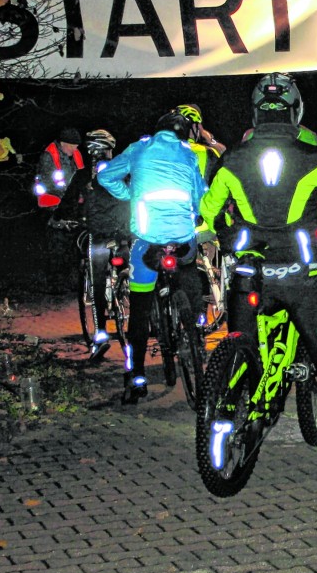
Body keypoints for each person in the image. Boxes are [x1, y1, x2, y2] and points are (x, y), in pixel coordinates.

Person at [198, 73, 317, 474]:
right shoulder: (312, 158)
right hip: (300, 276)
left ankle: (228, 409)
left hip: (251, 274)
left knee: (241, 350)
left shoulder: (232, 159)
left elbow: (210, 211)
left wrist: (229, 233)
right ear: (296, 110)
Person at [96, 114, 209, 404]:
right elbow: (201, 195)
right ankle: (195, 329)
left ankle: (137, 378)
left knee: (140, 309)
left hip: (147, 242)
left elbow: (105, 176)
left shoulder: (138, 148)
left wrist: (130, 194)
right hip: (182, 240)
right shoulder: (189, 154)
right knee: (190, 272)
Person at [51, 129, 127, 359]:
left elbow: (68, 204)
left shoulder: (83, 175)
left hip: (98, 235)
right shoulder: (124, 171)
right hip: (126, 233)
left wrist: (59, 218)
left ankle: (101, 336)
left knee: (97, 285)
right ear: (110, 150)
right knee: (137, 273)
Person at [33, 127, 88, 294]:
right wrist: (69, 195)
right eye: (71, 146)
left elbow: (81, 178)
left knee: (72, 245)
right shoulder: (48, 156)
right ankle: (54, 285)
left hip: (70, 206)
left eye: (76, 146)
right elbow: (50, 183)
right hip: (52, 206)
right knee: (56, 247)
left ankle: (70, 282)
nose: (74, 149)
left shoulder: (76, 154)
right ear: (63, 144)